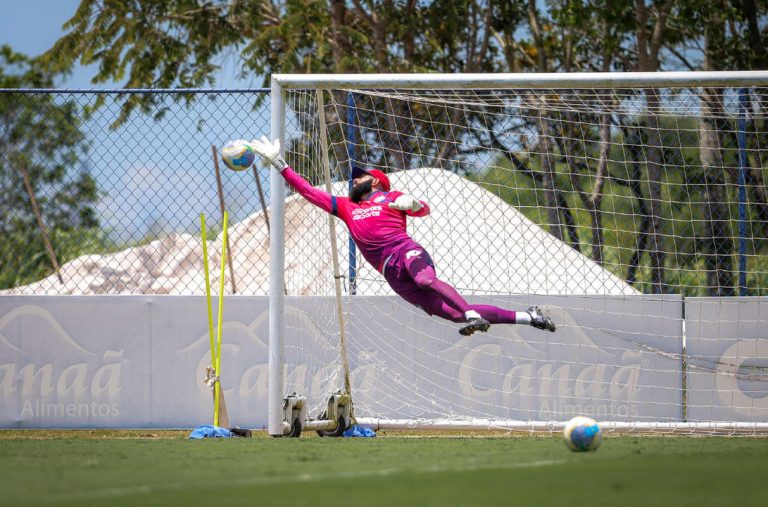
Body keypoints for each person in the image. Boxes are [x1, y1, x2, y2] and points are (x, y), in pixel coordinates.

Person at [250, 136, 556, 336]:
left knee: (425, 280)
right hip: (390, 273)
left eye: (361, 175)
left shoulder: (391, 196)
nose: (354, 179)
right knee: (451, 315)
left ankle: (472, 313)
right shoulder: (345, 207)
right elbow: (307, 191)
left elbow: (423, 210)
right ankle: (528, 317)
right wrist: (280, 164)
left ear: (377, 182)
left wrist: (416, 204)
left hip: (404, 251)